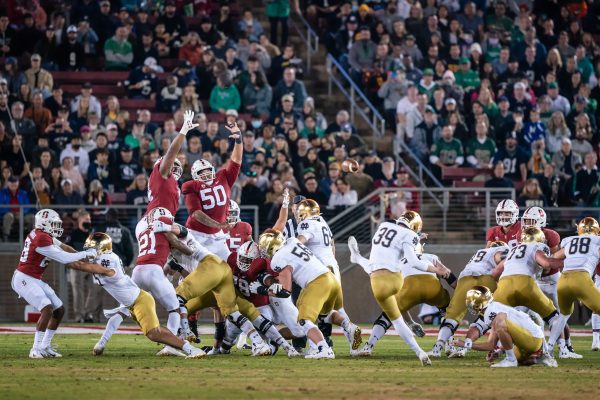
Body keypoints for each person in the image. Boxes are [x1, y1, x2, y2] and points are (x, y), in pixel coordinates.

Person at [73, 232, 205, 358]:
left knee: (154, 333)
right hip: (131, 301)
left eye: (92, 248)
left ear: (102, 249)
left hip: (139, 300)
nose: (89, 251)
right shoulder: (102, 258)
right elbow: (80, 259)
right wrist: (59, 248)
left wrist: (59, 255)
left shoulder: (108, 260)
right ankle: (101, 343)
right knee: (120, 314)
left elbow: (82, 265)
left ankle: (191, 349)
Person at [346, 211, 447, 363]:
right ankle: (425, 350)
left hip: (377, 284)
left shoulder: (383, 226)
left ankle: (358, 258)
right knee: (400, 263)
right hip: (395, 280)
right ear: (415, 226)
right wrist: (436, 270)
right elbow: (414, 262)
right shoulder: (411, 236)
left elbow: (394, 239)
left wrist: (415, 238)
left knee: (396, 320)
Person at [258, 229, 362, 359]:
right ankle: (348, 326)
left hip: (316, 283)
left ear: (272, 246)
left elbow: (285, 291)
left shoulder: (278, 258)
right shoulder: (292, 242)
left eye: (264, 247)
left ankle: (324, 349)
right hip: (330, 278)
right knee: (323, 316)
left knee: (304, 320)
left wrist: (262, 289)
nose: (263, 251)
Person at [11, 209, 94, 358]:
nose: (57, 227)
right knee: (47, 309)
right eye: (54, 224)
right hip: (24, 278)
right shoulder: (41, 238)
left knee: (59, 310)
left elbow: (64, 248)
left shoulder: (44, 234)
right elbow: (63, 257)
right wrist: (85, 254)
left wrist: (80, 255)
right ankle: (35, 349)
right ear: (45, 224)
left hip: (33, 278)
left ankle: (45, 346)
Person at [430, 241, 509, 358]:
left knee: (452, 316)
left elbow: (456, 285)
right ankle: (464, 347)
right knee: (486, 316)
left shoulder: (479, 253)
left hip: (465, 279)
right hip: (488, 278)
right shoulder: (499, 250)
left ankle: (437, 348)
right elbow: (500, 257)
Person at [452, 286, 556, 368]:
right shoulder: (494, 307)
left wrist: (465, 344)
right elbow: (493, 344)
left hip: (532, 340)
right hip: (534, 340)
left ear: (477, 303)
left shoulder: (491, 312)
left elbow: (491, 343)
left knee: (500, 319)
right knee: (521, 361)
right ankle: (540, 358)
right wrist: (499, 351)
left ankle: (510, 360)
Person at [182, 121, 243, 260]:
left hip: (217, 235)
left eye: (207, 170)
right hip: (197, 235)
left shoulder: (224, 177)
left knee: (229, 265)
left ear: (213, 170)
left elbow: (236, 160)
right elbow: (196, 214)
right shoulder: (191, 186)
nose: (205, 174)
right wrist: (218, 224)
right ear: (194, 176)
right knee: (196, 269)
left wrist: (239, 141)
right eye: (200, 172)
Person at [548, 218, 600, 356]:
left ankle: (549, 347)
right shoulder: (597, 241)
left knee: (563, 315)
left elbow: (555, 256)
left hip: (563, 279)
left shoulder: (569, 240)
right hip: (581, 279)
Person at [65, 210, 101, 322]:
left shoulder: (93, 234)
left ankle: (89, 313)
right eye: (86, 220)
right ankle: (79, 316)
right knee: (78, 291)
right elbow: (66, 250)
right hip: (78, 266)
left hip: (91, 265)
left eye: (89, 219)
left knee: (96, 288)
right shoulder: (73, 235)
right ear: (80, 220)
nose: (88, 222)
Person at [0, 176, 34, 241]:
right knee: (9, 216)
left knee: (32, 217)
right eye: (11, 183)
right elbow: (1, 206)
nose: (13, 184)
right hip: (8, 213)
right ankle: (5, 236)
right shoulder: (2, 193)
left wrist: (22, 212)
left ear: (18, 183)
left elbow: (27, 206)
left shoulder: (23, 193)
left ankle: (31, 237)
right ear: (8, 183)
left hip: (21, 214)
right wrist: (10, 211)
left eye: (15, 183)